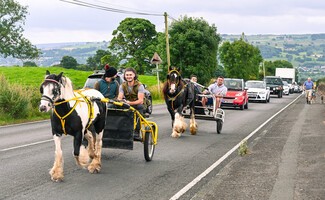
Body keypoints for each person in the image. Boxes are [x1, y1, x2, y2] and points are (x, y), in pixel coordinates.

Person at [117, 67, 145, 140]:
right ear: (124, 76)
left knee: (139, 108)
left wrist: (130, 103)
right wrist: (121, 101)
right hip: (127, 104)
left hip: (137, 104)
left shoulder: (140, 86)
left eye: (130, 75)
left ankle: (136, 132)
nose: (128, 76)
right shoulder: (122, 86)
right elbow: (120, 97)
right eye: (127, 75)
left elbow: (140, 100)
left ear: (134, 75)